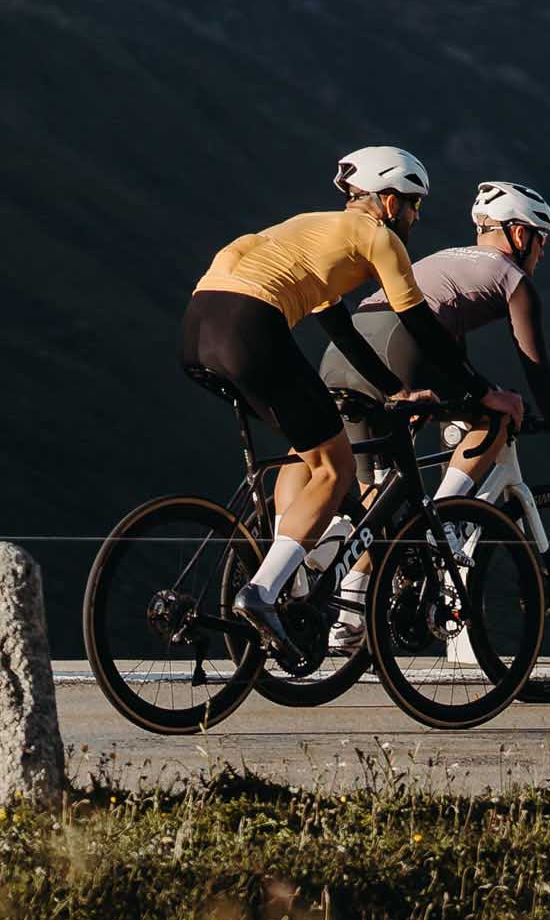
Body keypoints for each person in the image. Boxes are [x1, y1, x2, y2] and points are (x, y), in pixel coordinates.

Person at [179, 147, 493, 664]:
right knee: (338, 466)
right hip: (249, 326)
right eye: (414, 205)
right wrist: (483, 393)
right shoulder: (379, 238)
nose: (415, 217)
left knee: (309, 451)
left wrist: (393, 389)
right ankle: (262, 591)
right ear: (389, 201)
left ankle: (290, 575)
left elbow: (339, 327)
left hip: (197, 325)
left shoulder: (311, 229)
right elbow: (421, 327)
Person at [308, 178, 550, 651]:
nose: (542, 253)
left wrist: (445, 398)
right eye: (541, 239)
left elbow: (454, 362)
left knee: (376, 495)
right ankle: (444, 524)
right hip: (401, 346)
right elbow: (539, 372)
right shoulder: (513, 279)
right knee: (495, 416)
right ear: (518, 234)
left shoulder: (444, 261)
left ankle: (346, 616)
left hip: (343, 350)